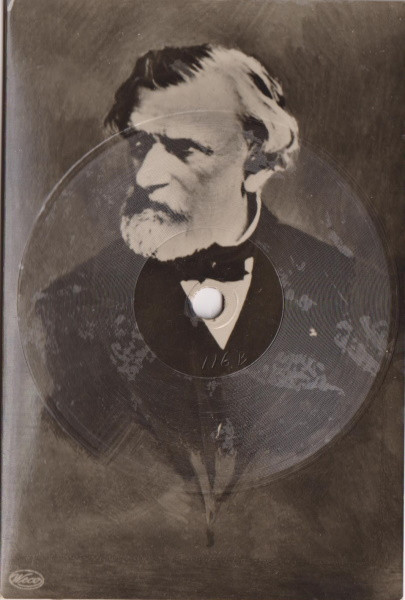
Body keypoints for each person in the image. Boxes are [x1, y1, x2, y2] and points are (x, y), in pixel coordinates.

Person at [36, 44, 363, 543]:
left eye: (185, 149)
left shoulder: (352, 299)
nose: (145, 177)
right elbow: (59, 502)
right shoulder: (68, 307)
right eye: (140, 145)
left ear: (256, 163)